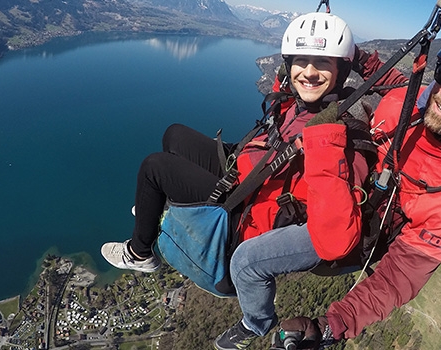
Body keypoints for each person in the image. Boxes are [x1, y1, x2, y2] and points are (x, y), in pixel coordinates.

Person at [99, 12, 375, 349]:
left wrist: (325, 142)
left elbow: (335, 230)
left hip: (246, 216)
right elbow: (285, 101)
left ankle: (140, 252)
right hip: (248, 175)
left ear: (342, 71)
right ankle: (152, 206)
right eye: (300, 61)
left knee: (155, 168)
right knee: (174, 135)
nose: (309, 71)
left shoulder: (343, 136)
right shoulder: (303, 103)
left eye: (323, 62)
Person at [274, 23, 441, 348]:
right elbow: (392, 81)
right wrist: (350, 54)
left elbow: (400, 277)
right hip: (338, 185)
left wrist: (330, 326)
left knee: (248, 260)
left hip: (344, 235)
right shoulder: (410, 101)